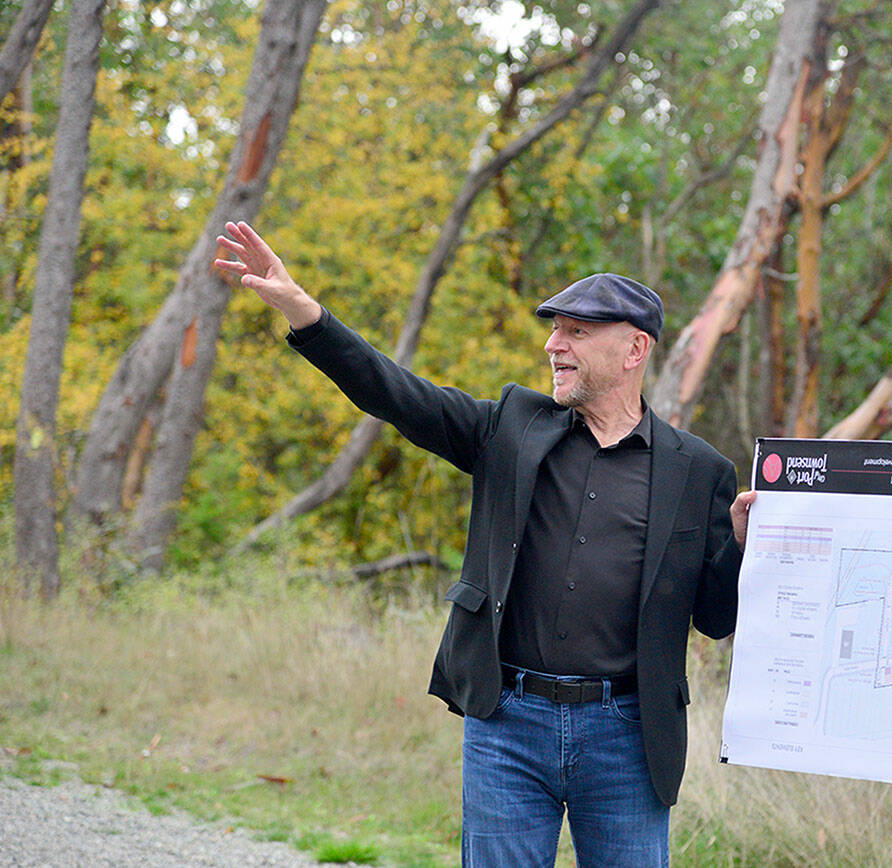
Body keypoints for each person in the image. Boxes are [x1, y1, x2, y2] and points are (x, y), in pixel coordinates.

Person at [214, 220, 757, 867]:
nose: (553, 344)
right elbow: (399, 396)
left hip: (628, 740)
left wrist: (747, 547)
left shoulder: (697, 470)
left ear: (635, 349)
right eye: (554, 329)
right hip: (508, 725)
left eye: (575, 332)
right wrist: (306, 315)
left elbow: (715, 618)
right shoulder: (512, 426)